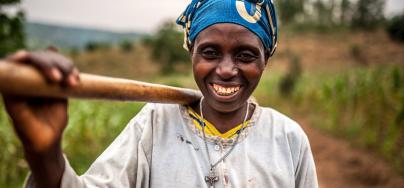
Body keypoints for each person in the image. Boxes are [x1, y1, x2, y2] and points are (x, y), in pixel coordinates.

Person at [2, 0, 318, 187]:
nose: (225, 69)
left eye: (246, 56)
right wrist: (44, 154)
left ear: (266, 60)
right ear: (191, 52)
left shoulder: (288, 139)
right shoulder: (156, 124)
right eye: (210, 52)